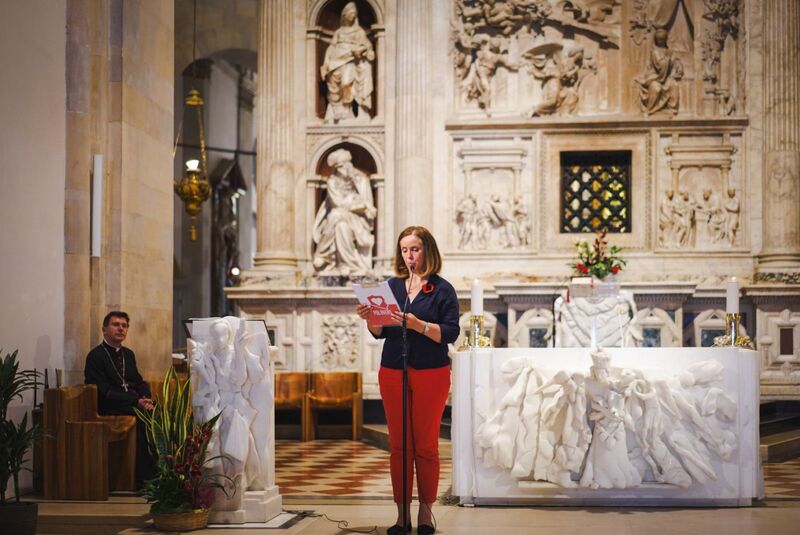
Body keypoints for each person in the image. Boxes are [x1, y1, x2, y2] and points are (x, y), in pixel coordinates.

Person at [356, 226, 460, 535]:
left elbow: (451, 332)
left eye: (414, 249)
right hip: (393, 370)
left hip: (431, 372)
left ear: (428, 250)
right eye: (404, 250)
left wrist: (419, 325)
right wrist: (371, 320)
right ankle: (402, 516)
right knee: (399, 446)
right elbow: (381, 333)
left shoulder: (442, 289)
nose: (409, 255)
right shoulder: (392, 287)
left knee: (425, 446)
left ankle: (425, 514)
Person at [84, 311, 156, 486]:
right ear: (104, 329)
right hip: (109, 406)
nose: (121, 328)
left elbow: (138, 381)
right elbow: (104, 391)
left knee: (159, 412)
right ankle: (144, 478)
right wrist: (136, 401)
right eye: (116, 324)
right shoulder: (95, 356)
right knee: (143, 415)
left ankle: (161, 470)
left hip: (131, 404)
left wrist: (146, 398)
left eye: (124, 326)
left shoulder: (128, 354)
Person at [312, 148, 376, 275]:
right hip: (340, 216)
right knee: (341, 224)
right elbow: (337, 203)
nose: (340, 169)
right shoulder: (332, 181)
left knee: (336, 216)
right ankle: (346, 264)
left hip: (358, 220)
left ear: (349, 164)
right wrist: (353, 200)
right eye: (337, 167)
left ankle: (322, 254)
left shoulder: (361, 179)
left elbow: (368, 204)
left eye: (342, 165)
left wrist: (358, 205)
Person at [320, 1, 375, 122]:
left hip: (351, 62)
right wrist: (325, 63)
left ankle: (347, 110)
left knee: (346, 83)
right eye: (351, 14)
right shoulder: (338, 32)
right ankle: (338, 110)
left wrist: (365, 51)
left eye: (355, 14)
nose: (353, 16)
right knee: (335, 81)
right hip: (337, 61)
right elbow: (331, 48)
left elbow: (368, 45)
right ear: (344, 15)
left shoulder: (359, 31)